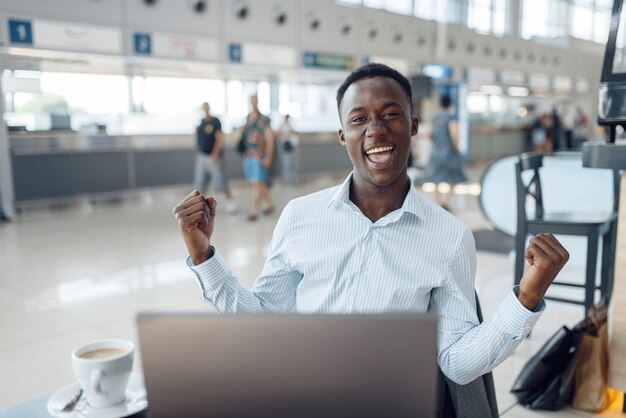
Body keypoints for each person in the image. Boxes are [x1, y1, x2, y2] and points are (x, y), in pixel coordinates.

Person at [174, 63, 569, 387]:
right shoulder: (300, 216)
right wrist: (203, 255)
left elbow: (457, 364)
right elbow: (264, 326)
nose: (375, 130)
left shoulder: (448, 237)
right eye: (359, 119)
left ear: (413, 125)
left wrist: (526, 298)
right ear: (343, 135)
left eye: (390, 114)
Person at [424, 95, 467, 210]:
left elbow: (428, 134)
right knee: (455, 177)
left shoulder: (434, 118)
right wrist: (457, 150)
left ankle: (438, 201)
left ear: (440, 104)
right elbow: (455, 135)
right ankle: (445, 201)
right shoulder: (451, 117)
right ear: (450, 104)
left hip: (436, 152)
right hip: (449, 152)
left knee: (435, 178)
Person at [193, 102, 238, 214]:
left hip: (214, 157)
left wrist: (215, 155)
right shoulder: (201, 122)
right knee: (200, 183)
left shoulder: (215, 121)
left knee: (220, 181)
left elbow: (220, 138)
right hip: (202, 156)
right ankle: (201, 208)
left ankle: (230, 203)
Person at [240, 95, 275, 221]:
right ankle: (269, 204)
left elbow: (269, 139)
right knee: (258, 183)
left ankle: (254, 210)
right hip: (248, 155)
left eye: (255, 100)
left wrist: (268, 157)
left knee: (256, 182)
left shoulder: (264, 120)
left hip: (259, 155)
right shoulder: (248, 118)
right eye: (251, 100)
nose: (253, 102)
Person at [274, 114, 299, 186]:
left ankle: (293, 180)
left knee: (292, 165)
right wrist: (285, 133)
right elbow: (277, 134)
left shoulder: (290, 126)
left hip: (291, 146)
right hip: (285, 147)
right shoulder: (281, 126)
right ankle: (287, 181)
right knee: (286, 165)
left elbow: (295, 133)